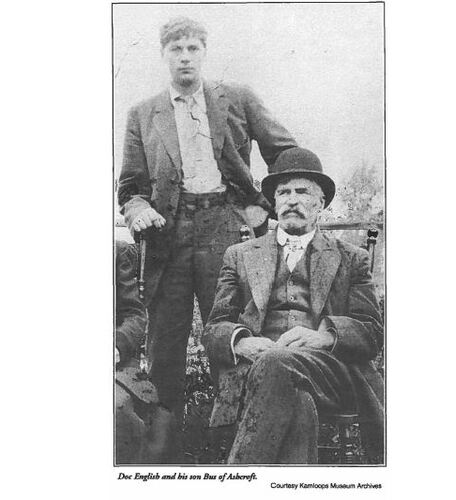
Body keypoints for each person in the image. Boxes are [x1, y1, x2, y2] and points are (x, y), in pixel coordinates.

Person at [117, 17, 297, 442]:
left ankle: (233, 442)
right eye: (176, 49)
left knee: (230, 332)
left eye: (193, 48)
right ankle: (164, 448)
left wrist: (264, 204)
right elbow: (129, 188)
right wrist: (139, 210)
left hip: (226, 228)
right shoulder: (143, 114)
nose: (185, 57)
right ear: (163, 54)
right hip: (169, 235)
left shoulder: (237, 99)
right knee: (165, 342)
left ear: (204, 52)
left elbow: (287, 154)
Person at [203, 147, 384, 464]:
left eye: (302, 192)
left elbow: (371, 333)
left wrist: (324, 337)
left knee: (276, 363)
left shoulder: (351, 258)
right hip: (255, 373)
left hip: (328, 372)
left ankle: (238, 477)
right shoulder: (240, 255)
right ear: (274, 203)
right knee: (298, 405)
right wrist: (241, 342)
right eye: (283, 193)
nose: (292, 200)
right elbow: (214, 328)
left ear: (321, 203)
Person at [115, 240, 179, 464]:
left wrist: (117, 346)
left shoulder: (115, 252)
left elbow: (134, 315)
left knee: (117, 409)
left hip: (116, 367)